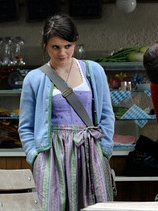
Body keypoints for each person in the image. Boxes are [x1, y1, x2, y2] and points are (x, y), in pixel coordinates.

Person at [18, 14, 115, 210]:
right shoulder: (34, 78)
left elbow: (106, 114)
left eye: (67, 46)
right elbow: (25, 126)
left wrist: (104, 150)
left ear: (75, 42)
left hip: (89, 152)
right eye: (55, 47)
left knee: (95, 207)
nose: (62, 52)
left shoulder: (93, 71)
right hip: (51, 154)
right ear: (45, 45)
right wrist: (35, 157)